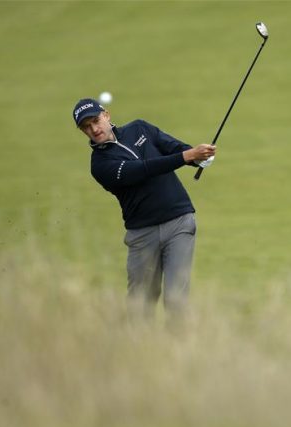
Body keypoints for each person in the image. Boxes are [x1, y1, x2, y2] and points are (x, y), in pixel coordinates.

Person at [72, 98, 216, 329]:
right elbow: (143, 170)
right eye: (86, 127)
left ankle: (180, 350)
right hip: (142, 236)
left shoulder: (140, 128)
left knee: (176, 300)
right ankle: (143, 350)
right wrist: (188, 157)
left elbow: (174, 147)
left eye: (96, 121)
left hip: (179, 222)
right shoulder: (100, 165)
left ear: (106, 115)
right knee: (140, 307)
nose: (94, 129)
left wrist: (200, 157)